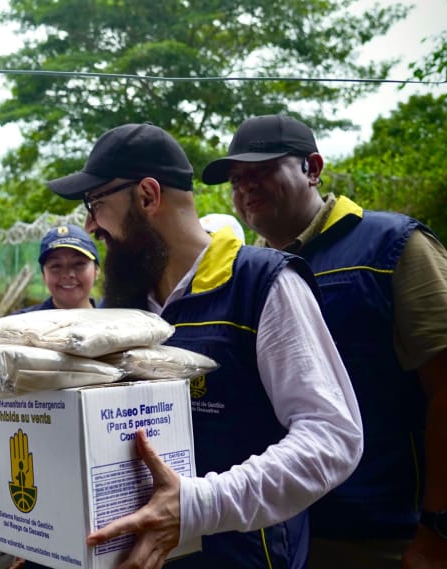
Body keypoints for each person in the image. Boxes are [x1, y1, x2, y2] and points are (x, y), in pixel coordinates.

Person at [47, 122, 364, 569]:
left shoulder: (260, 285)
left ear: (148, 197)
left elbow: (333, 438)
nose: (90, 224)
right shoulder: (127, 308)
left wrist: (198, 506)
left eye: (96, 203)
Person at [201, 114, 447, 569]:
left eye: (262, 171)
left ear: (312, 168)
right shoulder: (246, 273)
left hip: (378, 536)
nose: (245, 188)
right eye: (237, 179)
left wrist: (444, 530)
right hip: (275, 532)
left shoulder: (394, 246)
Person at [15, 224, 100, 312]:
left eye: (79, 264)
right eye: (56, 266)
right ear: (44, 275)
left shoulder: (111, 321)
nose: (67, 275)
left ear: (96, 270)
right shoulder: (19, 322)